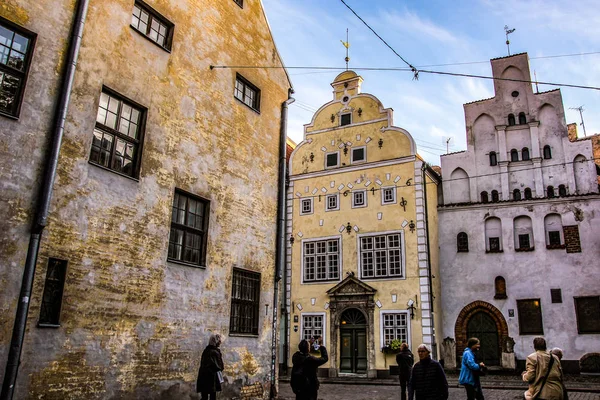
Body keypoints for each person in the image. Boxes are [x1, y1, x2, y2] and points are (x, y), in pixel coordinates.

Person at [196, 333, 225, 400]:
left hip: (203, 377)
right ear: (216, 342)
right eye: (219, 341)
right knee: (212, 396)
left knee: (204, 396)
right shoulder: (214, 352)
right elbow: (219, 366)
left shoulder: (206, 350)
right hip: (212, 378)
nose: (220, 343)